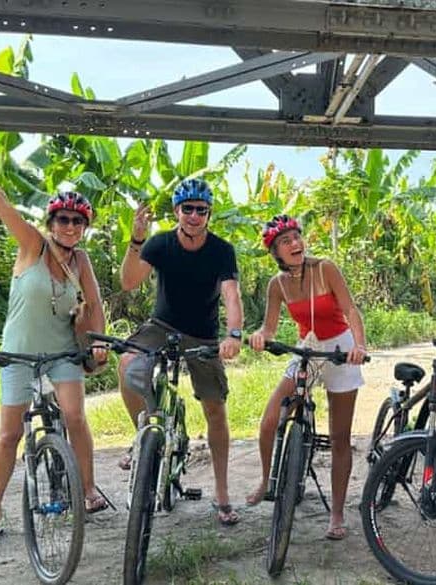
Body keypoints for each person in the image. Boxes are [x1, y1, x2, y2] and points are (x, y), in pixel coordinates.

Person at [0, 124, 109, 549]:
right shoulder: (32, 245)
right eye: (63, 219)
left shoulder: (81, 261)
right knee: (8, 435)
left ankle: (88, 488)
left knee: (76, 417)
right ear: (51, 221)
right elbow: (1, 204)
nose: (70, 227)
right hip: (19, 354)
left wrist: (97, 340)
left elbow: (95, 305)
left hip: (62, 353)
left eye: (78, 222)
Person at [118, 177, 244, 526]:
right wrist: (137, 238)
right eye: (187, 209)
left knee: (215, 409)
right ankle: (144, 437)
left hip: (203, 335)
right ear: (177, 211)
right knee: (128, 364)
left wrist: (233, 334)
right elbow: (129, 282)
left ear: (208, 214)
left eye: (200, 210)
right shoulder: (160, 244)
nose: (193, 216)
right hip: (162, 327)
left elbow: (231, 295)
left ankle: (221, 493)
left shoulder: (221, 250)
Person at [247, 215, 368, 541]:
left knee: (339, 436)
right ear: (276, 252)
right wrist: (260, 336)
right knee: (271, 418)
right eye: (286, 242)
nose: (295, 244)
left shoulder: (325, 268)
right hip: (307, 349)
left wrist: (359, 345)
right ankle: (266, 479)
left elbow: (351, 310)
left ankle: (337, 514)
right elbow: (269, 327)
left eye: (297, 237)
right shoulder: (277, 285)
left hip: (341, 349)